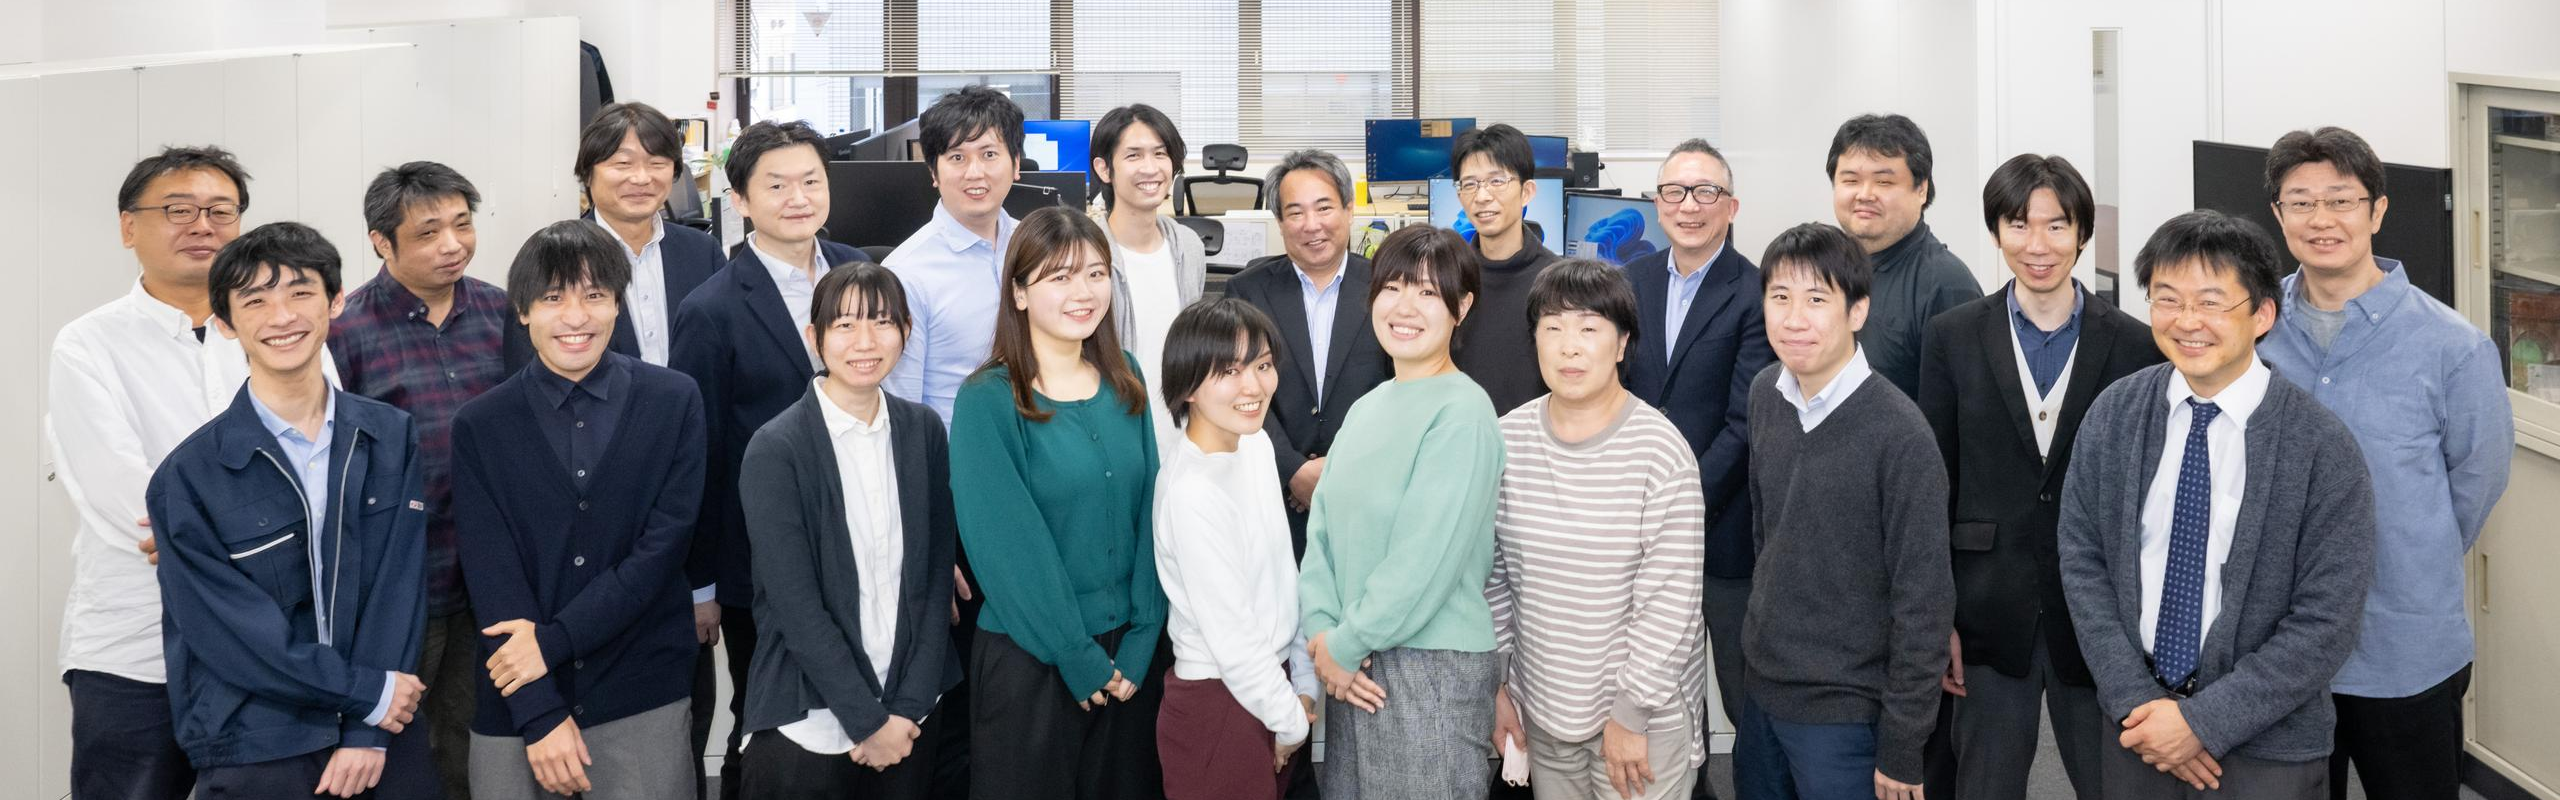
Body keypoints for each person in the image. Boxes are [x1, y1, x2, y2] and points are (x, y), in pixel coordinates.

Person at [2057, 210, 2377, 800]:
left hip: (2267, 749)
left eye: (2210, 302)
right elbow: (2082, 561)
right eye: (2167, 299)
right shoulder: (2115, 414)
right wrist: (2138, 701)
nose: (2187, 321)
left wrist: (2202, 724)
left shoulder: (2321, 446)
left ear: (2263, 315)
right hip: (2137, 728)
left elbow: (2326, 621)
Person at [2251, 127, 2511, 800]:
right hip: (2275, 652)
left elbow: (2474, 487)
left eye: (2341, 200)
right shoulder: (2252, 330)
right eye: (2301, 202)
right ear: (2278, 215)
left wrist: (2406, 550)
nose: (2322, 219)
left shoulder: (2453, 347)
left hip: (2403, 648)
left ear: (2377, 210)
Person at [148, 221, 431, 799]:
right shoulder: (189, 477)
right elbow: (230, 634)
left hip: (382, 731)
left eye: (301, 292)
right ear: (225, 323)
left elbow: (398, 586)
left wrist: (368, 727)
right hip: (259, 739)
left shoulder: (390, 435)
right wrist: (364, 693)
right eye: (255, 300)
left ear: (335, 301)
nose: (282, 317)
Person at [1914, 154, 2163, 800]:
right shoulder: (1952, 337)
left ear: (2082, 234)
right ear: (1997, 231)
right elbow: (1935, 485)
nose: (2038, 245)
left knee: (2115, 785)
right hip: (1985, 610)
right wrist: (1938, 617)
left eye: (2057, 226)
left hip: (2100, 617)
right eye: (2019, 225)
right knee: (1984, 785)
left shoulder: (2137, 345)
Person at [452, 221, 706, 800]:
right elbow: (492, 578)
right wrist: (539, 712)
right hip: (516, 697)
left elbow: (661, 552)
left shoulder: (674, 401)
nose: (576, 317)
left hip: (639, 687)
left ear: (617, 304)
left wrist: (554, 641)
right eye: (552, 298)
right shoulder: (481, 425)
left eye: (594, 295)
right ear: (522, 311)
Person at [51, 145, 258, 800]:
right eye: (178, 210)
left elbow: (319, 462)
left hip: (264, 645)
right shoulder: (87, 343)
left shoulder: (279, 330)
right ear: (128, 226)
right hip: (133, 647)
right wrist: (257, 541)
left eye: (220, 211)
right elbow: (121, 490)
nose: (202, 226)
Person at [667, 118, 865, 798]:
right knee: (769, 722)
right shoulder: (711, 309)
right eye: (776, 185)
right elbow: (698, 455)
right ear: (741, 200)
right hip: (760, 561)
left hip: (863, 544)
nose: (798, 197)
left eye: (811, 180)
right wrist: (701, 583)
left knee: (855, 711)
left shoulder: (862, 271)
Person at [947, 206, 1166, 800]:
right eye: (1060, 277)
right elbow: (1007, 549)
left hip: (1129, 657)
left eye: (1095, 274)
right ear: (1019, 293)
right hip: (1033, 658)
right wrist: (1074, 652)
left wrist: (1146, 632)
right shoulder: (987, 400)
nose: (1083, 292)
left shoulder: (1127, 379)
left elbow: (1152, 514)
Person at [1733, 222, 1950, 800]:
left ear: (1857, 311)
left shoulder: (1900, 434)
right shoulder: (1765, 393)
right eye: (1780, 297)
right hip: (1763, 691)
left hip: (1847, 712)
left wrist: (1903, 745)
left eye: (1816, 299)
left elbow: (1924, 604)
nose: (1794, 319)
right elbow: (1767, 535)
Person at [1484, 259, 1710, 800]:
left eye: (1589, 328)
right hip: (1542, 711)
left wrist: (1631, 715)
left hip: (1643, 722)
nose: (1570, 347)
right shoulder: (1505, 440)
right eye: (1553, 328)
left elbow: (1671, 602)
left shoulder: (1660, 450)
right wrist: (1497, 687)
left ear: (1622, 343)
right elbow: (1491, 579)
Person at [735, 263, 962, 800]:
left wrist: (905, 710)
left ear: (906, 331)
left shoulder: (924, 431)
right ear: (813, 337)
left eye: (882, 322)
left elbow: (934, 582)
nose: (865, 341)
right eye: (844, 325)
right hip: (809, 721)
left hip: (911, 716)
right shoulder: (776, 448)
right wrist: (867, 722)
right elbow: (795, 606)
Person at [1298, 224, 1507, 800]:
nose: (1404, 307)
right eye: (1391, 288)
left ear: (1462, 308)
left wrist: (1344, 644)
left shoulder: (1464, 412)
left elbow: (1424, 560)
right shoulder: (1366, 407)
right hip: (1353, 660)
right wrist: (1323, 634)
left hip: (1429, 666)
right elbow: (1323, 535)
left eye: (1428, 292)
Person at [332, 161, 512, 798]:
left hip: (492, 576)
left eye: (463, 225)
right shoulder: (345, 330)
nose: (453, 244)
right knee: (397, 743)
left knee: (473, 737)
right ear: (382, 242)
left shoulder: (502, 311)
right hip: (402, 579)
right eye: (429, 232)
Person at [1616, 142, 1772, 789]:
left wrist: (1677, 504)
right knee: (1664, 691)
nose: (1689, 205)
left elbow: (1746, 422)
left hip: (1724, 534)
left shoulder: (1756, 290)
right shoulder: (1630, 282)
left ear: (1730, 207)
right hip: (1640, 535)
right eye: (1675, 191)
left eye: (1705, 192)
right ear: (1657, 204)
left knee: (1744, 694)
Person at [1150, 298, 1321, 800]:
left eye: (1262, 365)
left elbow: (1283, 577)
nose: (1254, 386)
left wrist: (1303, 685)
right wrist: (1291, 721)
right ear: (1187, 385)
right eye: (1229, 371)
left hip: (1272, 691)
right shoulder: (1191, 490)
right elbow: (1233, 638)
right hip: (1218, 703)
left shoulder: (1255, 445)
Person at [1222, 149, 1392, 554]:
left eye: (1324, 208)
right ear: (1280, 222)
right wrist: (1293, 469)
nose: (1311, 225)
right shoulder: (1247, 291)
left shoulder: (1386, 287)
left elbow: (1399, 388)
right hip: (1275, 495)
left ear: (1349, 210)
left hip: (1369, 494)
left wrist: (1338, 473)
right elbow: (1236, 391)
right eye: (1295, 213)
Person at [506, 102, 724, 373]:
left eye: (657, 163)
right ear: (588, 173)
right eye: (623, 164)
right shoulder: (550, 257)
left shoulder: (703, 252)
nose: (641, 178)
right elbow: (525, 373)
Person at [888, 84, 1027, 424]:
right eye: (957, 157)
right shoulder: (905, 273)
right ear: (933, 172)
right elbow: (902, 406)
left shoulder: (1039, 246)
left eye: (989, 154)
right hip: (957, 452)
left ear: (1016, 164)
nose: (974, 172)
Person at [1825, 113, 1981, 400]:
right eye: (1851, 180)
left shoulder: (1947, 284)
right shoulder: (1822, 269)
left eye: (1884, 182)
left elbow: (1964, 408)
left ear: (1921, 190)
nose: (1865, 194)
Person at [1090, 103, 1210, 448]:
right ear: (1104, 169)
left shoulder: (1188, 246)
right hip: (1113, 434)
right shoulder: (1085, 254)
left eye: (1160, 154)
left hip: (1183, 434)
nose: (1150, 168)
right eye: (1133, 155)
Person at [1448, 123, 1558, 414]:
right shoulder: (1448, 278)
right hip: (1462, 434)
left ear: (1527, 191)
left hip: (1534, 437)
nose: (1482, 196)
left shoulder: (1558, 283)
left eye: (1496, 181)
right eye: (1469, 184)